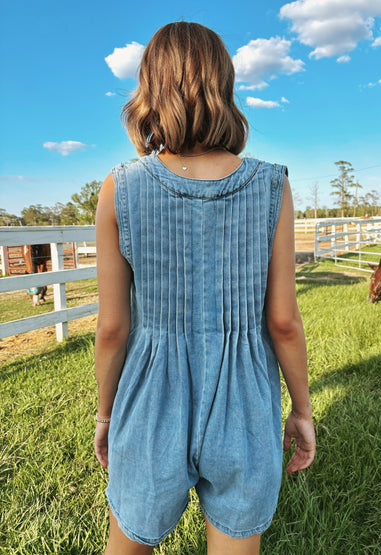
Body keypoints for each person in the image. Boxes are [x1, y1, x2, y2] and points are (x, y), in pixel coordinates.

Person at [94, 21, 315, 555]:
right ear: (225, 85)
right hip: (244, 399)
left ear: (150, 88)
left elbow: (112, 328)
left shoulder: (119, 188)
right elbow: (282, 320)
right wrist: (302, 411)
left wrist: (106, 415)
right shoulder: (271, 185)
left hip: (150, 399)